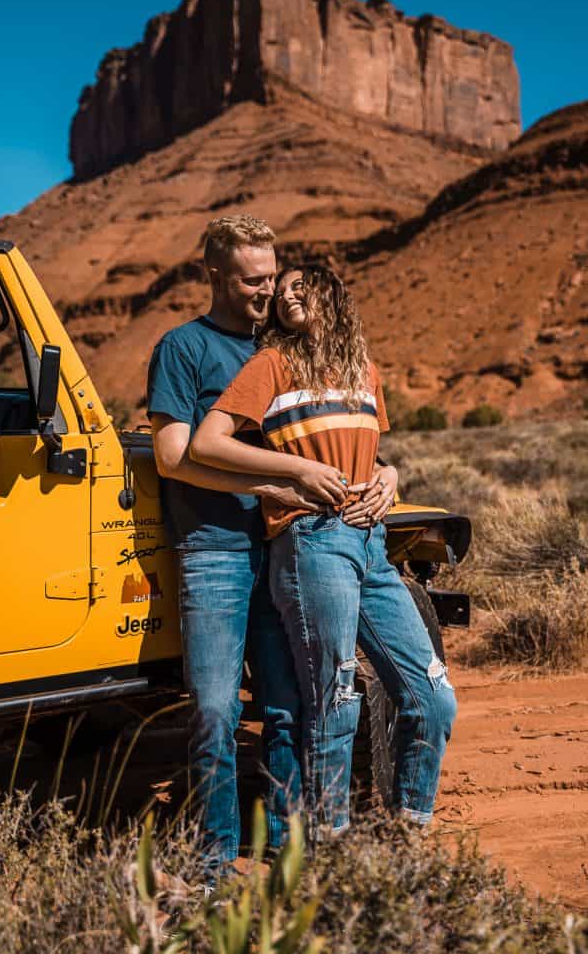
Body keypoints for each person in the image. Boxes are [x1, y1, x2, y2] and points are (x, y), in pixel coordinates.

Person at [146, 218, 390, 873]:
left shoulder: (285, 348)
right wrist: (284, 477)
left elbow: (345, 430)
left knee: (288, 707)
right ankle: (215, 857)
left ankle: (287, 845)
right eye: (253, 281)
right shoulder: (182, 347)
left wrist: (387, 473)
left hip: (288, 553)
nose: (265, 292)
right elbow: (173, 458)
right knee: (216, 711)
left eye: (270, 277)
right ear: (216, 276)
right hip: (215, 552)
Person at [191, 263, 457, 834]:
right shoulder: (271, 365)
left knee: (434, 698)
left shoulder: (364, 371)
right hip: (311, 539)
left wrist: (391, 477)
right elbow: (207, 442)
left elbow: (365, 452)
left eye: (298, 287)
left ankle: (409, 833)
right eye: (280, 290)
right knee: (335, 701)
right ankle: (330, 852)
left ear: (331, 294)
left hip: (372, 543)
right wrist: (295, 471)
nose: (286, 295)